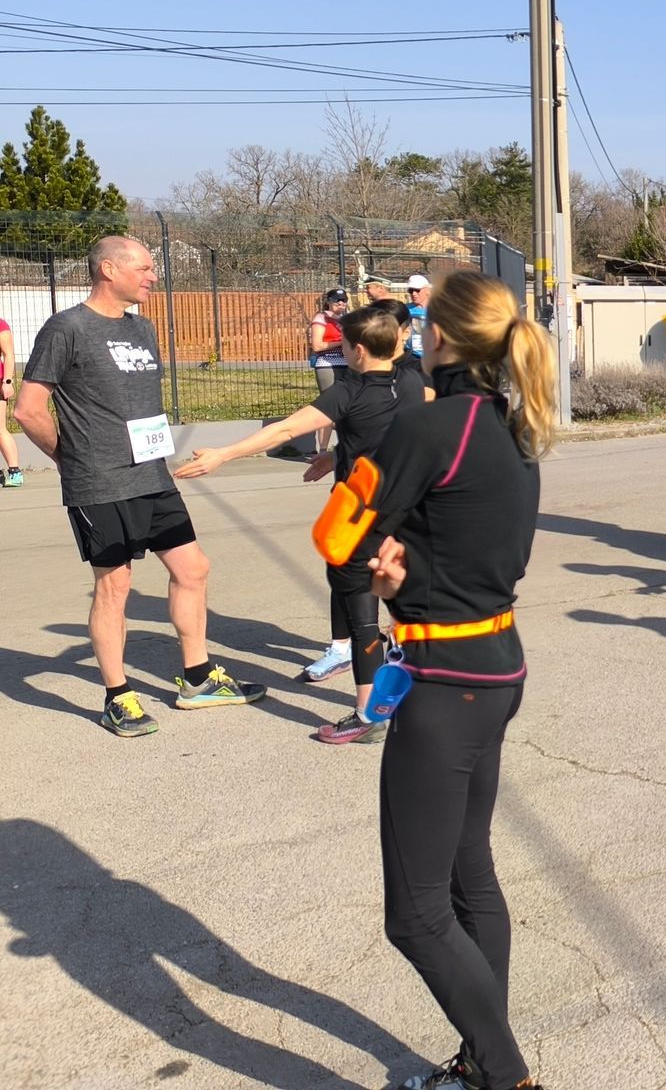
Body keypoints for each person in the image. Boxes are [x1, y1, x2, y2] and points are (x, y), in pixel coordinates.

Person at [329, 269, 556, 1090]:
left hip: (446, 684)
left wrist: (382, 561)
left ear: (441, 336)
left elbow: (337, 540)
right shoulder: (516, 425)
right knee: (469, 877)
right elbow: (474, 555)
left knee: (417, 916)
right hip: (495, 666)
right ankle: (480, 1060)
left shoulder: (431, 426)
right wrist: (406, 575)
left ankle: (504, 1073)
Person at [14, 235, 266, 737]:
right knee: (115, 586)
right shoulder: (67, 328)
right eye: (145, 268)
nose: (154, 276)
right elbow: (28, 410)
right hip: (99, 483)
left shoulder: (142, 327)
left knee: (192, 568)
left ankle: (198, 679)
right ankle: (118, 696)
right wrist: (70, 459)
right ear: (109, 269)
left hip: (152, 475)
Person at [177, 304, 424, 741]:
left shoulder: (349, 390)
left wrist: (222, 454)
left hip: (361, 519)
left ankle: (368, 716)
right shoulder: (412, 383)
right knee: (410, 611)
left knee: (364, 620)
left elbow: (283, 431)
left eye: (342, 344)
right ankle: (425, 701)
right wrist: (339, 453)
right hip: (410, 515)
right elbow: (397, 432)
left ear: (359, 350)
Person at [309, 288, 350, 454]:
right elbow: (317, 345)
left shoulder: (348, 319)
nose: (341, 303)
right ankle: (323, 450)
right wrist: (341, 342)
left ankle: (346, 446)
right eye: (337, 300)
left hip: (347, 364)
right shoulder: (321, 318)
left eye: (343, 300)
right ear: (329, 302)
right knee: (328, 405)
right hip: (327, 363)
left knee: (347, 406)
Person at [0, 316, 22, 485]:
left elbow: (9, 354)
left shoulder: (1, 325)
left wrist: (7, 382)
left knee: (0, 429)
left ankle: (15, 472)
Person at [404, 273, 433, 361]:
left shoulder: (438, 309)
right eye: (411, 290)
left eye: (417, 290)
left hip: (433, 356)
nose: (414, 294)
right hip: (411, 356)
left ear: (427, 290)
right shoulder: (405, 310)